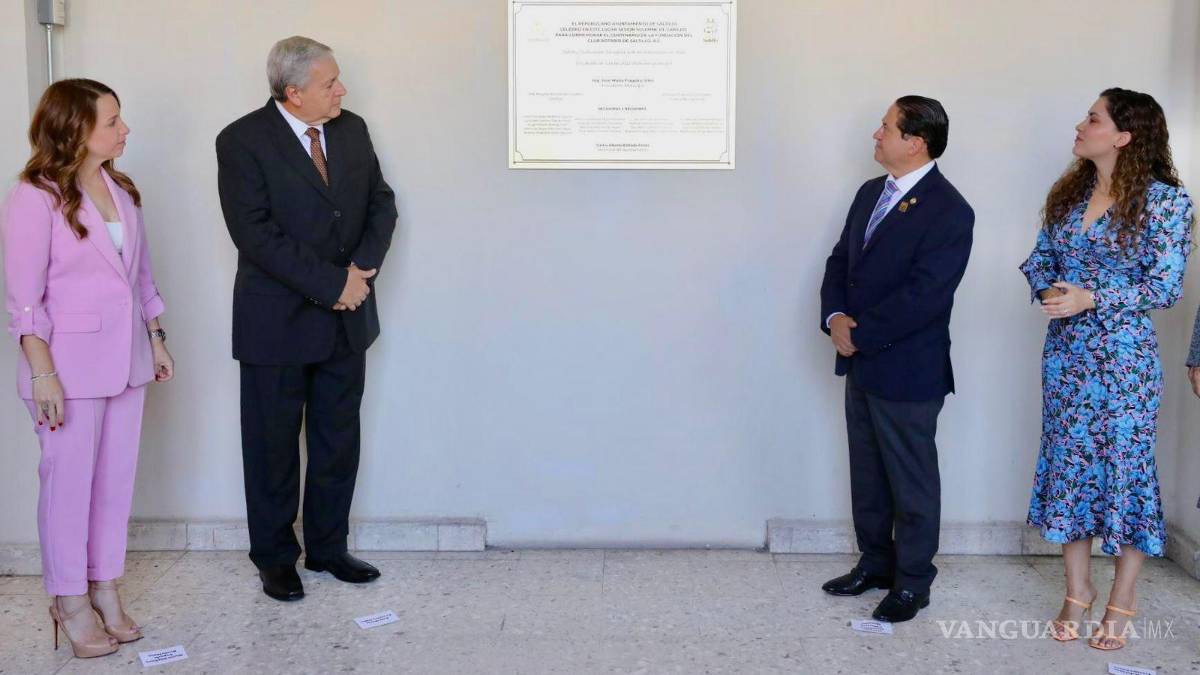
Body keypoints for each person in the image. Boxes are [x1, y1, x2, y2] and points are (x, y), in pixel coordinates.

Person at [216, 36, 397, 602]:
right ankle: (275, 559)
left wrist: (361, 271)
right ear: (293, 93)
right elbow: (255, 234)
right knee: (271, 449)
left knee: (337, 440)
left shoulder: (353, 128)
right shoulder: (241, 140)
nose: (342, 89)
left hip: (348, 319)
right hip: (276, 325)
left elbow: (380, 203)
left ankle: (327, 547)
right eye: (330, 83)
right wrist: (332, 283)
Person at [2, 79, 173, 657]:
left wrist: (157, 338)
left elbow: (141, 276)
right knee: (69, 486)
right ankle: (68, 599)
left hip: (127, 362)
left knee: (114, 483)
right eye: (111, 121)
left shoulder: (120, 187)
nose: (124, 130)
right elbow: (24, 300)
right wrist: (43, 372)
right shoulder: (35, 196)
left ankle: (104, 586)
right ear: (74, 128)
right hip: (65, 371)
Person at [1020, 88, 1193, 651]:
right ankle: (1077, 590)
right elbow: (1041, 257)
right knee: (1068, 466)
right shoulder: (1069, 196)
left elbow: (1164, 287)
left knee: (1125, 470)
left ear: (1124, 135)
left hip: (1124, 362)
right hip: (1066, 357)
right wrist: (1049, 288)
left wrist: (1092, 296)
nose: (1080, 124)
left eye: (1092, 118)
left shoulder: (1167, 202)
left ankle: (1124, 597)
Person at [817, 95, 974, 623]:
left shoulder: (950, 210)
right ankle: (875, 565)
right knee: (868, 473)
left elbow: (927, 295)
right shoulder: (869, 194)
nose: (875, 135)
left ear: (917, 141)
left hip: (907, 368)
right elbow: (841, 260)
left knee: (910, 481)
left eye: (885, 128)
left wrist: (862, 335)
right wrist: (836, 317)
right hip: (861, 360)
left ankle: (912, 583)